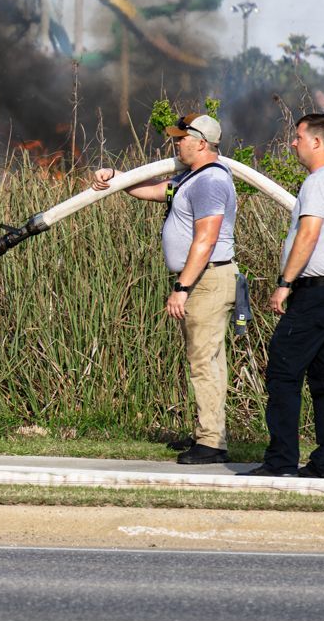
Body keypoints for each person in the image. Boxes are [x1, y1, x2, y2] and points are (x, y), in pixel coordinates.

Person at [92, 113, 238, 465]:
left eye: (181, 139)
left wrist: (182, 287)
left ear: (201, 143)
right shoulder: (191, 177)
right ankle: (209, 433)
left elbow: (206, 240)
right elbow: (151, 190)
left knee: (203, 361)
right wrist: (116, 176)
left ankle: (211, 443)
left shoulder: (210, 181)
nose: (175, 143)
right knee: (206, 359)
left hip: (206, 280)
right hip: (202, 279)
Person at [241, 114, 324, 479]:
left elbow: (309, 234)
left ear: (317, 142)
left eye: (298, 137)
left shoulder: (318, 182)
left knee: (282, 371)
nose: (293, 143)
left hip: (317, 292)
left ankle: (280, 461)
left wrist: (284, 283)